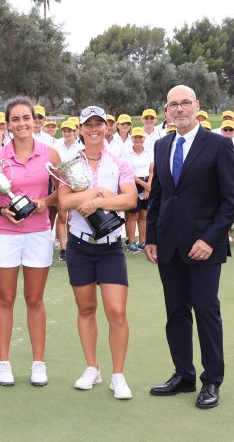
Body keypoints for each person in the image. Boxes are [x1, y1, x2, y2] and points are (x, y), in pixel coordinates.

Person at [145, 85, 234, 410]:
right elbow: (157, 195)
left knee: (205, 310)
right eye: (173, 104)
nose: (180, 109)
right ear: (167, 110)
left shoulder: (219, 145)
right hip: (168, 246)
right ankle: (183, 374)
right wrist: (151, 238)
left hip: (204, 247)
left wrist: (210, 239)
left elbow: (231, 200)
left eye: (185, 103)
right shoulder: (161, 145)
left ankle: (211, 379)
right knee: (176, 312)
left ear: (197, 106)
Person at [0, 97, 60, 387]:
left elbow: (63, 193)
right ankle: (4, 362)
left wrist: (45, 201)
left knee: (35, 299)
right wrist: (2, 210)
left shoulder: (50, 154)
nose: (22, 124)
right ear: (8, 124)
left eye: (26, 118)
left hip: (39, 232)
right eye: (15, 119)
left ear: (34, 120)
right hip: (4, 234)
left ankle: (38, 363)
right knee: (6, 298)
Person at [57, 105, 136, 399]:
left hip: (110, 247)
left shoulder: (119, 162)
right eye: (88, 124)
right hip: (79, 245)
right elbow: (64, 203)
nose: (93, 129)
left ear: (107, 128)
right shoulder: (70, 163)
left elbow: (129, 199)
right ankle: (92, 367)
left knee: (116, 312)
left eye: (98, 124)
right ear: (80, 129)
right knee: (86, 308)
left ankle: (118, 375)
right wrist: (98, 193)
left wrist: (98, 202)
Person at [53, 119, 83, 261]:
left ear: (75, 131)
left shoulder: (81, 146)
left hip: (77, 185)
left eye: (70, 131)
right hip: (61, 183)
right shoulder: (56, 145)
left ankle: (72, 245)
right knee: (62, 216)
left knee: (73, 217)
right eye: (64, 131)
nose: (67, 133)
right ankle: (64, 248)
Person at [126, 127, 154, 252]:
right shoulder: (128, 153)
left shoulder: (149, 152)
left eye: (140, 137)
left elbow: (152, 170)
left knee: (144, 215)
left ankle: (142, 241)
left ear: (144, 138)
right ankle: (131, 242)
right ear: (131, 138)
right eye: (135, 137)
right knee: (133, 214)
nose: (138, 140)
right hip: (134, 184)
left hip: (148, 183)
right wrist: (144, 185)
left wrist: (148, 186)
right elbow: (130, 173)